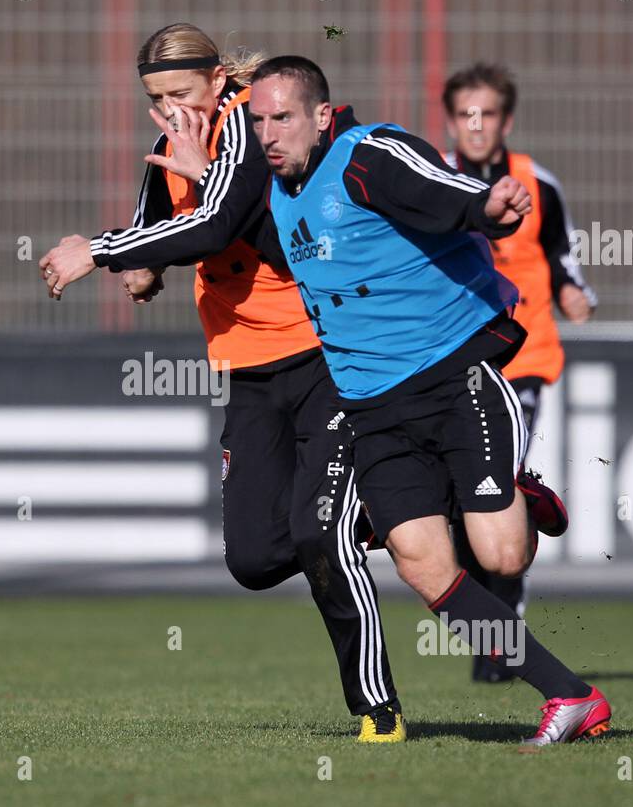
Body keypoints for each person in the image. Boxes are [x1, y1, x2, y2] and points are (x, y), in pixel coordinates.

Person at [39, 25, 405, 741]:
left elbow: (214, 225)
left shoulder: (246, 122)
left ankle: (377, 709)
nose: (172, 109)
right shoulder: (172, 148)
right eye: (157, 99)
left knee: (318, 537)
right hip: (247, 366)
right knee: (255, 557)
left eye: (182, 92)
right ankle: (382, 510)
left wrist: (98, 250)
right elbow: (155, 239)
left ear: (216, 80)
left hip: (324, 352)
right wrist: (139, 270)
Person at [248, 55, 611, 745]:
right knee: (422, 564)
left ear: (322, 116)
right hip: (373, 409)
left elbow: (439, 186)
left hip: (453, 379)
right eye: (258, 120)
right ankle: (570, 696)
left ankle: (519, 493)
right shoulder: (274, 190)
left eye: (284, 117)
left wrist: (486, 207)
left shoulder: (366, 155)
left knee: (502, 558)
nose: (269, 133)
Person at [440, 63, 598, 681]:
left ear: (506, 121)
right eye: (465, 114)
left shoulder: (538, 183)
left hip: (522, 358)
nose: (476, 125)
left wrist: (573, 292)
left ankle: (502, 639)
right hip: (452, 357)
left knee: (495, 489)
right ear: (452, 121)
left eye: (487, 113)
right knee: (458, 503)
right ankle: (493, 628)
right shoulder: (431, 178)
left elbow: (562, 254)